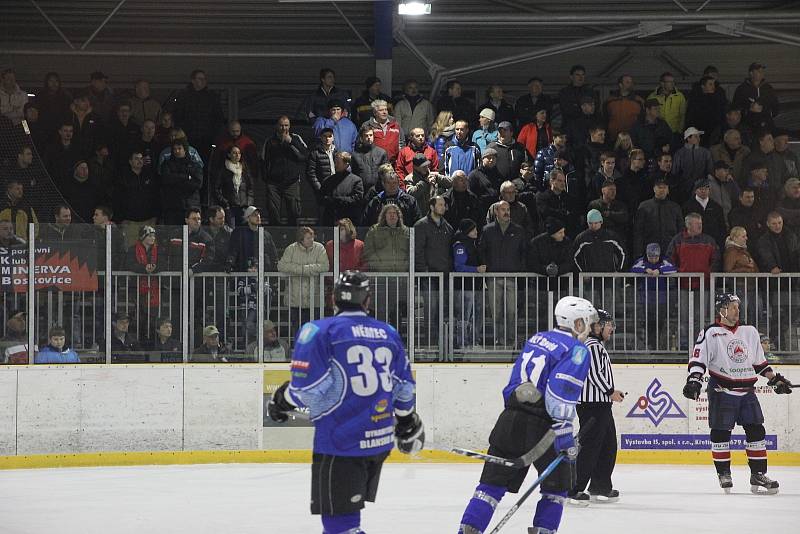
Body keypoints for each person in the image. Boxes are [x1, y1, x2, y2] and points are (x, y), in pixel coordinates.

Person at [268, 271, 423, 534]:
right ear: (368, 301)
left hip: (341, 445)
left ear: (333, 299)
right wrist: (408, 420)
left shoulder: (318, 330)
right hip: (377, 443)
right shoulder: (388, 332)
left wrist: (282, 400)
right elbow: (404, 387)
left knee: (340, 527)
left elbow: (309, 391)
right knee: (344, 524)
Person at [457, 296, 598, 534]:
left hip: (509, 419)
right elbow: (559, 395)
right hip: (544, 427)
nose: (590, 327)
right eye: (587, 321)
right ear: (577, 323)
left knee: (489, 487)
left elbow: (513, 384)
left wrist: (516, 413)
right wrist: (565, 439)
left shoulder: (537, 338)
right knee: (555, 490)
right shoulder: (577, 350)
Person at [683, 294, 792, 495]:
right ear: (722, 310)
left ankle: (758, 474)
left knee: (757, 431)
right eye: (733, 307)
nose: (737, 311)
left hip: (747, 392)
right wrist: (694, 381)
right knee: (721, 432)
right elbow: (699, 360)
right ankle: (724, 473)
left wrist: (774, 379)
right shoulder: (710, 332)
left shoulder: (749, 332)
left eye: (738, 307)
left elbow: (760, 363)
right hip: (721, 390)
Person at [569, 309, 625, 505]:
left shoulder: (596, 345)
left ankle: (600, 486)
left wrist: (609, 393)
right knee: (590, 447)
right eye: (609, 324)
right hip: (592, 405)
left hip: (601, 404)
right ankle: (573, 489)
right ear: (597, 326)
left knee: (607, 446)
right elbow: (593, 374)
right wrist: (610, 391)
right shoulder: (591, 346)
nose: (612, 328)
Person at [630, 243, 677, 350]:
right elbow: (633, 268)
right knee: (649, 321)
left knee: (660, 321)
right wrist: (645, 269)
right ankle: (651, 344)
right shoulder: (642, 261)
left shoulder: (664, 260)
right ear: (647, 255)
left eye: (656, 257)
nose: (653, 259)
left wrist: (660, 270)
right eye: (651, 257)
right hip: (646, 297)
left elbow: (673, 268)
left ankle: (658, 344)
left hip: (661, 296)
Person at [452, 219, 486, 350]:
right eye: (473, 229)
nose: (476, 231)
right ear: (466, 231)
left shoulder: (474, 244)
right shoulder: (460, 245)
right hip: (464, 286)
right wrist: (475, 270)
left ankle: (474, 341)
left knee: (477, 313)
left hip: (477, 285)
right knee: (465, 315)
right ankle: (462, 342)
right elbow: (459, 267)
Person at [214, 145, 255, 227]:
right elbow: (216, 189)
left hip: (243, 207)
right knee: (231, 230)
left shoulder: (244, 169)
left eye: (239, 153)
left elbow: (250, 188)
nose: (237, 155)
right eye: (234, 153)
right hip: (230, 207)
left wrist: (248, 203)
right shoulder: (223, 170)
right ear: (229, 155)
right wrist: (225, 203)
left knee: (243, 230)